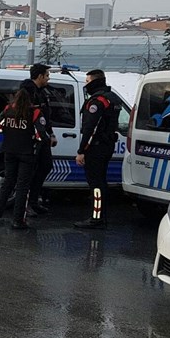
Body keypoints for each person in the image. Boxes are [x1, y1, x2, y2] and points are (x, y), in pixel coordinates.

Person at [0, 88, 47, 229]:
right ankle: (18, 220)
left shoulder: (8, 110)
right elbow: (41, 135)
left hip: (9, 151)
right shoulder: (35, 113)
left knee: (7, 184)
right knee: (22, 187)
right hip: (27, 152)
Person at [74, 69, 121, 229]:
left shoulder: (97, 101)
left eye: (87, 82)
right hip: (106, 145)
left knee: (95, 184)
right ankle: (101, 216)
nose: (86, 85)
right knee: (101, 182)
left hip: (96, 147)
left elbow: (91, 129)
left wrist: (81, 151)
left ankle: (96, 218)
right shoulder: (112, 98)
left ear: (94, 81)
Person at [22, 64, 56, 216]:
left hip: (42, 136)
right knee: (29, 172)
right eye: (47, 75)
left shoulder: (42, 92)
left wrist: (50, 133)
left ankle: (34, 201)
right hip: (31, 138)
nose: (48, 78)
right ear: (40, 76)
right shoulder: (27, 92)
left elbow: (44, 117)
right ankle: (25, 204)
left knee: (46, 166)